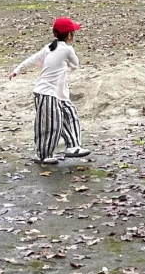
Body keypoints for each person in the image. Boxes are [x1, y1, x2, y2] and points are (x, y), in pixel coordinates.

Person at [10, 16, 90, 165]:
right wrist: (66, 69)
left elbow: (32, 60)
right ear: (70, 35)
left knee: (69, 114)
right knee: (50, 124)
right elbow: (75, 64)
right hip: (46, 93)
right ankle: (43, 154)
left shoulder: (50, 47)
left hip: (58, 93)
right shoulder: (66, 49)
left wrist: (17, 70)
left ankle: (73, 146)